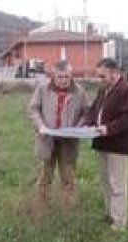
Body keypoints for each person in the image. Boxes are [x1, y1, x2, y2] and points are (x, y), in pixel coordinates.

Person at [85, 58, 128, 231]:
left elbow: (127, 120)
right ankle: (110, 214)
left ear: (114, 72)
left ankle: (119, 223)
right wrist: (87, 125)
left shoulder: (127, 91)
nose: (100, 79)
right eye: (99, 76)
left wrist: (106, 129)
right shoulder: (103, 90)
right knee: (105, 181)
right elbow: (94, 111)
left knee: (117, 184)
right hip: (101, 143)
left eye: (102, 76)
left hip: (117, 146)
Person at [28, 60, 89, 206]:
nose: (63, 80)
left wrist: (77, 129)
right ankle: (42, 208)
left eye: (67, 77)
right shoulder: (42, 89)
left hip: (68, 142)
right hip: (46, 140)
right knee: (44, 178)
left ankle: (68, 210)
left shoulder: (79, 92)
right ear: (53, 76)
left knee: (68, 178)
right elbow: (33, 109)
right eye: (60, 77)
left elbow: (87, 113)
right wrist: (40, 126)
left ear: (71, 75)